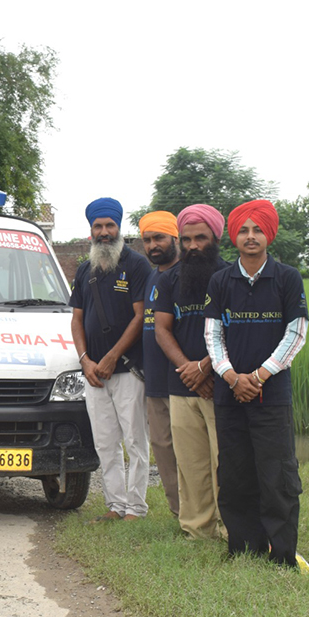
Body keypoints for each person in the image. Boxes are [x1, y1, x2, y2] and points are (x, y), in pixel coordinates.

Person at [204, 200, 309, 567]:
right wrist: (232, 377)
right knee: (234, 474)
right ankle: (243, 550)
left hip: (271, 396)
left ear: (269, 235)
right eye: (244, 230)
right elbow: (213, 335)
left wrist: (260, 375)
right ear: (234, 236)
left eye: (257, 230)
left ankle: (281, 555)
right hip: (230, 395)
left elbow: (295, 334)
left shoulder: (287, 278)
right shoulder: (220, 281)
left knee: (277, 475)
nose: (251, 236)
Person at [69, 198, 151, 522]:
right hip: (94, 374)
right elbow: (76, 319)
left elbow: (141, 316)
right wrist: (85, 361)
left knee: (135, 441)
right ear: (91, 230)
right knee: (105, 442)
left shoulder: (137, 265)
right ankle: (116, 505)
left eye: (109, 226)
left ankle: (136, 508)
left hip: (129, 369)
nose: (104, 232)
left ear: (119, 227)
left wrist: (112, 356)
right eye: (98, 227)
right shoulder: (84, 270)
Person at [154, 205, 230, 540]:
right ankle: (198, 531)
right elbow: (162, 329)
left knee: (225, 461)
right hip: (182, 384)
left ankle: (231, 529)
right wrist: (189, 369)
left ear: (216, 238)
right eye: (186, 239)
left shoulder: (230, 277)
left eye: (201, 238)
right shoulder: (169, 279)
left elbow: (236, 331)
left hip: (222, 384)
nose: (193, 246)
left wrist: (205, 367)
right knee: (191, 464)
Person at [139, 210, 180, 517]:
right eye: (147, 239)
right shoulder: (151, 276)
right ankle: (179, 512)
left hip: (184, 381)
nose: (153, 245)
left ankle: (201, 512)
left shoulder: (188, 274)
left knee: (191, 451)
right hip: (154, 381)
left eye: (159, 238)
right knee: (163, 448)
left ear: (175, 238)